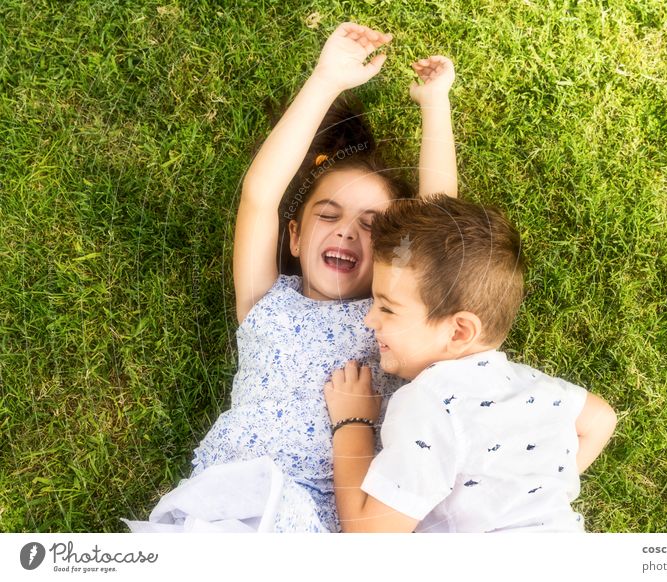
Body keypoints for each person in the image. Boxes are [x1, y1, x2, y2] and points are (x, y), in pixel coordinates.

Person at [123, 23, 458, 532]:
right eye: (328, 215)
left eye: (370, 227)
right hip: (238, 504)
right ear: (295, 238)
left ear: (394, 256)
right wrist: (326, 80)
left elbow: (441, 228)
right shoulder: (264, 299)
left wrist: (436, 106)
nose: (347, 232)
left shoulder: (391, 323)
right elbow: (260, 193)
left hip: (331, 522)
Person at [324, 195, 618, 532]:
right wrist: (537, 493)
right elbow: (601, 419)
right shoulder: (534, 385)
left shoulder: (429, 402)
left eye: (387, 308)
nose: (368, 319)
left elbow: (368, 534)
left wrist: (352, 423)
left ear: (460, 330)